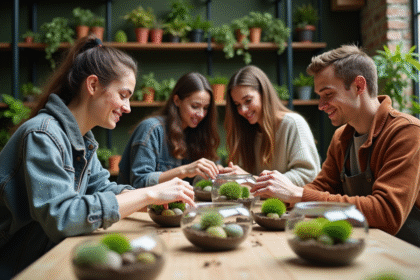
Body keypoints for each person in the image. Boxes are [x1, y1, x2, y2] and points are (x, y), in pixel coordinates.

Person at [0, 36, 195, 278]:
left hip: (50, 259)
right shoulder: (42, 135)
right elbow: (62, 217)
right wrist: (148, 193)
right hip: (20, 269)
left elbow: (101, 187)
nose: (128, 107)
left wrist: (152, 201)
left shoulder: (83, 139)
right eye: (123, 95)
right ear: (92, 85)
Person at [252, 45, 420, 247]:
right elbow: (320, 187)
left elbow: (387, 214)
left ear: (359, 86)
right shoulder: (341, 137)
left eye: (328, 94)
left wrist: (298, 194)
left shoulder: (407, 133)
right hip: (361, 247)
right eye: (319, 96)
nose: (321, 105)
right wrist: (278, 193)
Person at [223, 65, 321, 187]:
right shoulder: (246, 131)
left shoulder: (293, 124)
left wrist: (251, 179)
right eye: (237, 104)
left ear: (264, 93)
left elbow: (308, 175)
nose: (242, 110)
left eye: (248, 100)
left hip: (292, 205)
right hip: (260, 204)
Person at [117, 72, 220, 188]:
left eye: (205, 108)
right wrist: (184, 170)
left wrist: (218, 172)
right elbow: (140, 182)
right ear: (177, 101)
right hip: (140, 205)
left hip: (177, 205)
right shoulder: (151, 129)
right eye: (195, 106)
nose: (201, 114)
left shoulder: (198, 133)